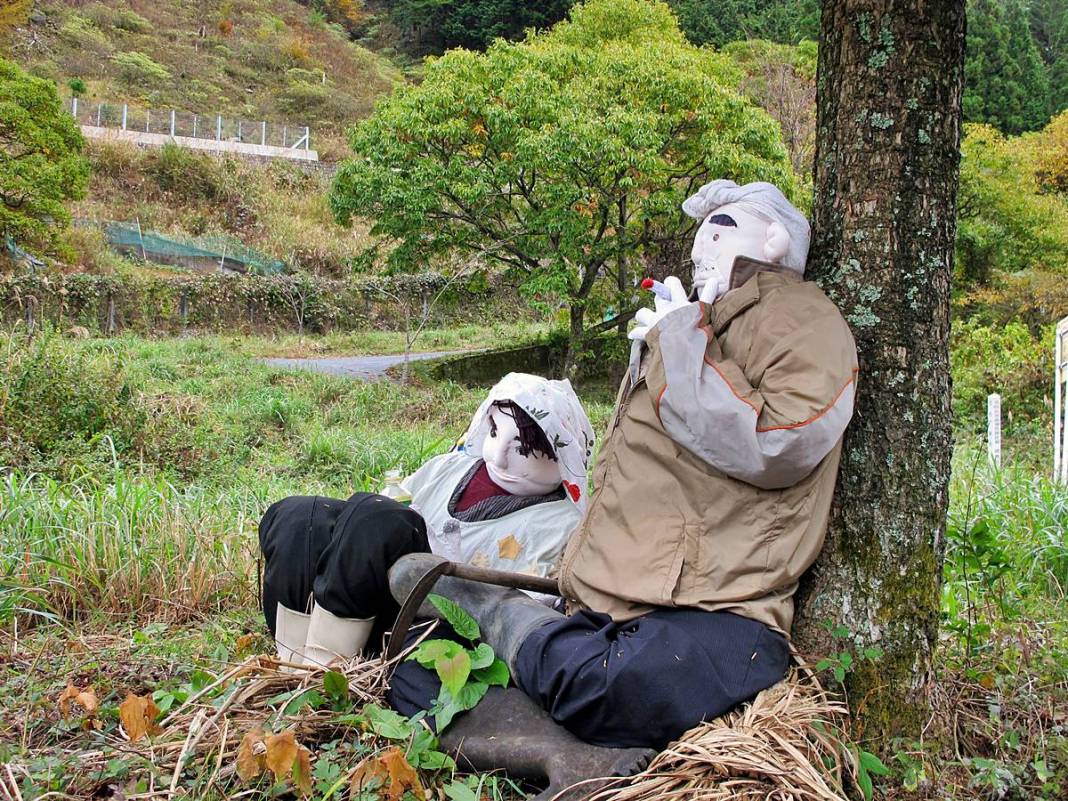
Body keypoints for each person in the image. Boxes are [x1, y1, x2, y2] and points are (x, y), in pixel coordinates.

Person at [388, 180, 860, 761]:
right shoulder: (696, 319)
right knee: (413, 664)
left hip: (718, 609)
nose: (704, 240)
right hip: (608, 598)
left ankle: (502, 620)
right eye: (703, 229)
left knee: (612, 686)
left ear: (776, 237)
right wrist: (684, 331)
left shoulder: (800, 316)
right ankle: (564, 744)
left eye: (725, 226)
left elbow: (778, 441)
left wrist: (683, 339)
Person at [258, 372, 593, 668]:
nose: (498, 454)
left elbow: (525, 610)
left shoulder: (563, 524)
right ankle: (294, 659)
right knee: (301, 516)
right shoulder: (448, 467)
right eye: (493, 432)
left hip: (429, 620)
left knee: (379, 519)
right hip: (366, 592)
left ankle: (326, 669)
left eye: (521, 447)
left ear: (562, 455)